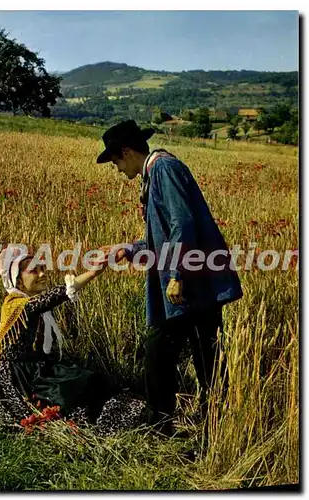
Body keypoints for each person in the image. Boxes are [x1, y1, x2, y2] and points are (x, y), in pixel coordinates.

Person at [96, 120, 243, 434]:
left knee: (177, 356)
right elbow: (159, 239)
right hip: (191, 282)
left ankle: (173, 427)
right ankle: (201, 426)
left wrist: (176, 274)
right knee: (200, 357)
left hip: (191, 284)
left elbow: (182, 224)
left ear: (126, 151)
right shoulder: (154, 174)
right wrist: (127, 249)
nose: (117, 169)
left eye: (115, 161)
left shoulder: (163, 169)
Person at [0, 246, 145, 434]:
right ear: (18, 281)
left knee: (86, 381)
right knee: (71, 390)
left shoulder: (27, 302)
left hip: (35, 368)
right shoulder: (17, 305)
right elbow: (54, 297)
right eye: (34, 271)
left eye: (43, 269)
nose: (42, 274)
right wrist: (93, 273)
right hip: (19, 377)